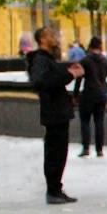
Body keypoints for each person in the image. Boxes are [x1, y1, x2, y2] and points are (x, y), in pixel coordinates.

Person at [27, 26, 84, 204]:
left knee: (60, 152)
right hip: (53, 113)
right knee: (55, 153)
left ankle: (56, 189)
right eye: (51, 35)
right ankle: (53, 191)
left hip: (58, 112)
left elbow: (54, 75)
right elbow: (41, 81)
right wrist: (69, 74)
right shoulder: (40, 60)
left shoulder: (47, 59)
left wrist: (68, 71)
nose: (55, 37)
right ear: (42, 39)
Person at [78, 34, 107, 157]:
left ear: (90, 46)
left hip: (88, 94)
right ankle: (99, 150)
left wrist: (75, 94)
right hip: (101, 95)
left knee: (85, 121)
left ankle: (86, 148)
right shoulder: (106, 61)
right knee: (99, 122)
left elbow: (78, 79)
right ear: (100, 46)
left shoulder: (84, 61)